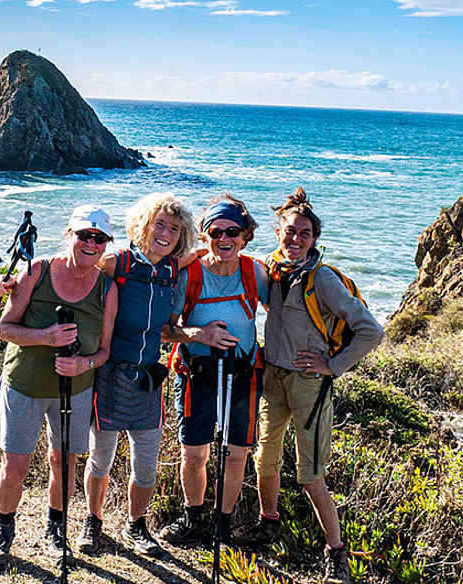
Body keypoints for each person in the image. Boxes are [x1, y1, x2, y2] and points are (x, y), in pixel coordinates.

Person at [239, 187, 383, 584]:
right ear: (278, 232)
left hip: (309, 386)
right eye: (289, 231)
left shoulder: (323, 281)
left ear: (314, 239)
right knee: (263, 459)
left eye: (304, 234)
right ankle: (269, 523)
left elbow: (372, 330)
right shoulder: (270, 270)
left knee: (310, 475)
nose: (296, 239)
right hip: (273, 378)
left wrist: (332, 366)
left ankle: (335, 552)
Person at [0, 204, 119, 568]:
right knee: (15, 463)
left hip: (75, 389)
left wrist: (83, 363)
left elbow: (104, 351)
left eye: (99, 238)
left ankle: (55, 529)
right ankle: (3, 530)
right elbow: (5, 328)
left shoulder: (107, 289)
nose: (91, 243)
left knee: (64, 461)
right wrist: (46, 336)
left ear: (106, 244)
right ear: (68, 235)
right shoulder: (36, 271)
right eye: (84, 235)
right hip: (24, 385)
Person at [76, 193, 197, 557]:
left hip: (148, 381)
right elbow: (72, 271)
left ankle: (136, 525)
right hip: (110, 377)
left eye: (174, 229)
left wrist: (197, 334)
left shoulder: (171, 271)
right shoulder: (117, 263)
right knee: (101, 459)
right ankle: (93, 521)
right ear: (141, 226)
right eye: (159, 224)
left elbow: (200, 254)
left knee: (146, 466)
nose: (166, 233)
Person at [160, 194, 269, 547]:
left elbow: (287, 307)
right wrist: (198, 334)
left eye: (232, 231)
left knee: (237, 454)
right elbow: (166, 328)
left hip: (244, 374)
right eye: (215, 232)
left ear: (245, 234)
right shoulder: (188, 274)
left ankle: (223, 523)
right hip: (196, 375)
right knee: (194, 454)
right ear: (204, 235)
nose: (224, 239)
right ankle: (194, 519)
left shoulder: (255, 271)